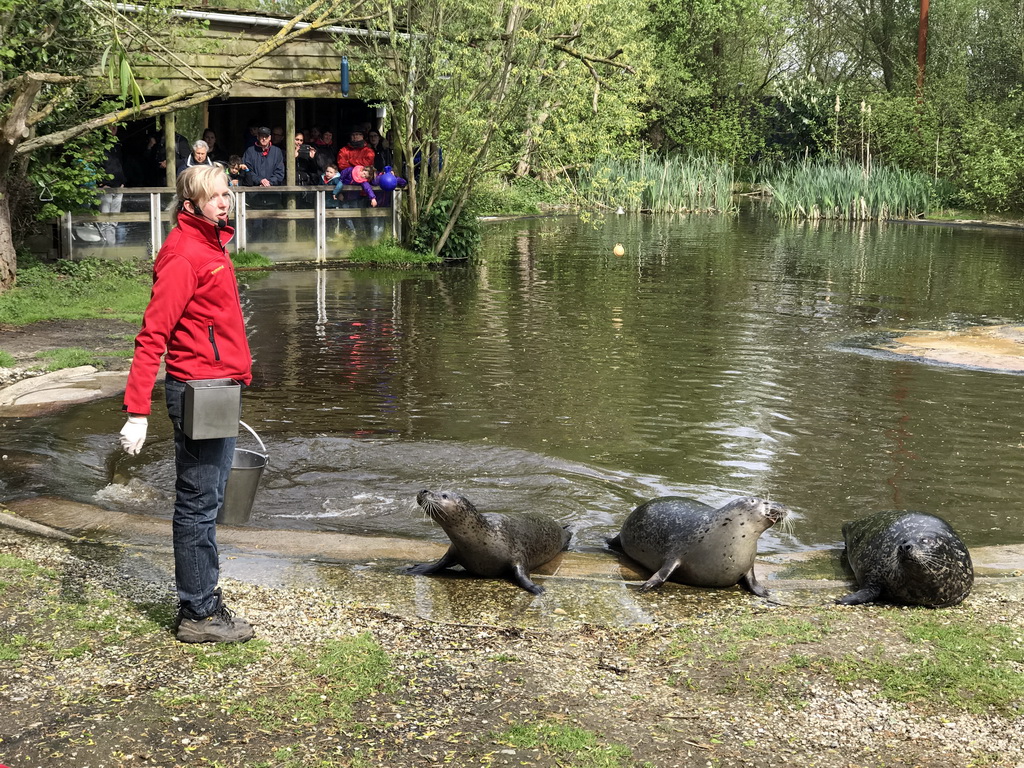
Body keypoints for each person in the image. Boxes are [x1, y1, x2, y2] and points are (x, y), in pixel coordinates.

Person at [119, 165, 254, 645]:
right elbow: (152, 335)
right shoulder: (183, 254)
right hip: (198, 389)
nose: (224, 202)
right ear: (191, 204)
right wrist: (137, 410)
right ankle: (198, 613)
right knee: (198, 503)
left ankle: (203, 598)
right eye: (213, 196)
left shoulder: (211, 244)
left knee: (210, 497)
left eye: (226, 193)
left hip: (218, 386)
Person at [99, 124, 127, 246]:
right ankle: (105, 249)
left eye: (115, 127)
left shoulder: (117, 145)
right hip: (106, 186)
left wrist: (122, 181)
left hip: (118, 185)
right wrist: (100, 183)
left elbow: (120, 164)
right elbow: (97, 164)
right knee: (105, 220)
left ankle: (112, 248)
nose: (113, 129)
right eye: (111, 127)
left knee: (114, 220)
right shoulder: (100, 145)